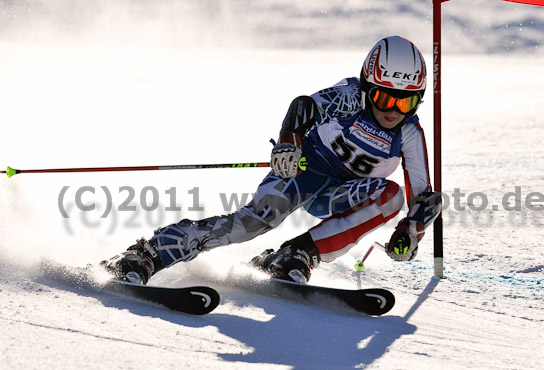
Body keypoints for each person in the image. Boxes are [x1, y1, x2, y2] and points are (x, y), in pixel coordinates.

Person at [103, 35, 442, 285]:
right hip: (303, 168)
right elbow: (305, 107)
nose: (390, 110)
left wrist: (410, 231)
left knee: (391, 196)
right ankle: (151, 253)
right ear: (368, 87)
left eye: (404, 103)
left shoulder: (410, 135)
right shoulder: (350, 96)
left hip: (341, 195)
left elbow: (423, 198)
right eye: (383, 97)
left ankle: (299, 253)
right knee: (257, 221)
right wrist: (288, 144)